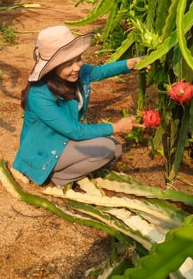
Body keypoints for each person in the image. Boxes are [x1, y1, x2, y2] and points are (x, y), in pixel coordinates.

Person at [12, 25, 145, 188]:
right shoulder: (39, 95)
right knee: (107, 148)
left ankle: (67, 169)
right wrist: (116, 127)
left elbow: (100, 72)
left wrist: (133, 63)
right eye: (68, 63)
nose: (77, 67)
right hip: (44, 149)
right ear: (53, 67)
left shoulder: (77, 73)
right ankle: (55, 177)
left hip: (65, 138)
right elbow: (75, 131)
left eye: (78, 59)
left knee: (116, 149)